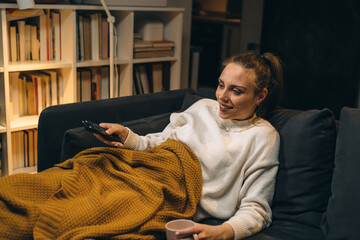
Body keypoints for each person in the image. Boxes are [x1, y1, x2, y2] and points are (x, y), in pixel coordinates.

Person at [94, 52, 283, 240]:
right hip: (142, 174)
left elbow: (257, 210)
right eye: (220, 85)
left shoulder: (262, 136)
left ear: (260, 96)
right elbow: (161, 143)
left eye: (236, 91)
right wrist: (127, 136)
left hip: (166, 200)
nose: (222, 97)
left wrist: (222, 232)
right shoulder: (202, 107)